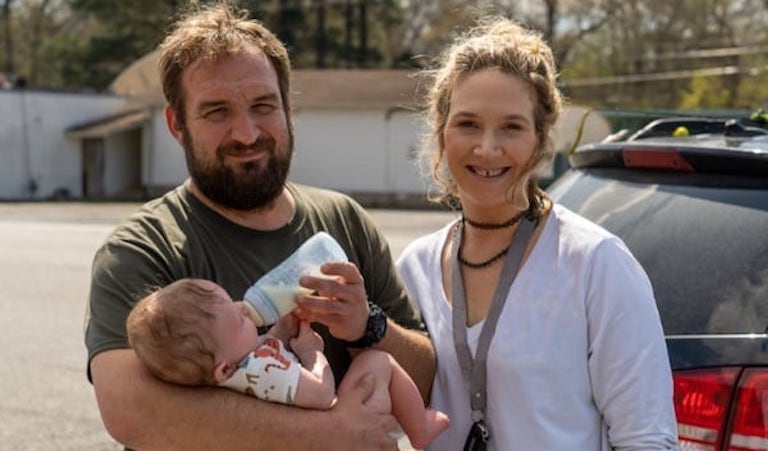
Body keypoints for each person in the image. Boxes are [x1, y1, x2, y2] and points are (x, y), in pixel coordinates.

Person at [83, 3, 435, 450]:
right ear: (177, 124)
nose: (246, 133)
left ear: (288, 108)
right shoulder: (144, 248)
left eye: (263, 106)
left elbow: (427, 381)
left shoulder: (344, 220)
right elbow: (132, 411)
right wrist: (329, 433)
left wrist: (368, 326)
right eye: (217, 112)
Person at [396, 16, 680, 450]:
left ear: (541, 138)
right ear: (441, 129)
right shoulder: (413, 268)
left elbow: (646, 438)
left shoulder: (595, 263)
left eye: (511, 127)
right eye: (468, 123)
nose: (487, 148)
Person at [126, 278, 449, 449]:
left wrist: (282, 329)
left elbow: (270, 350)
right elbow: (321, 394)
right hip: (331, 423)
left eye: (233, 303)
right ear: (222, 369)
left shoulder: (241, 370)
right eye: (237, 321)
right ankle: (419, 428)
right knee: (378, 360)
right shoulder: (261, 371)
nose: (242, 309)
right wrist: (311, 353)